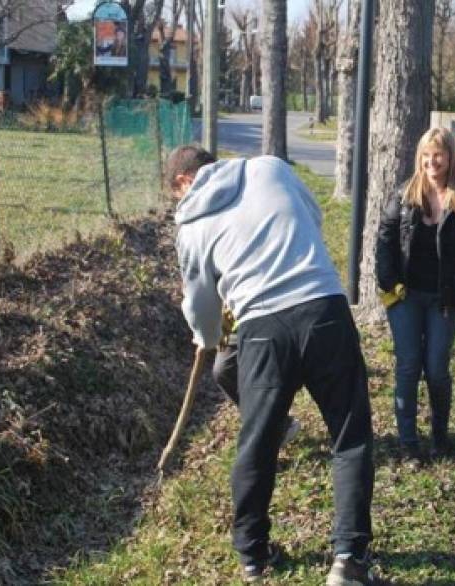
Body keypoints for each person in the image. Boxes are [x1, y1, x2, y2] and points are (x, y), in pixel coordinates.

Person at [168, 145, 376, 585]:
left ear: (181, 183)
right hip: (324, 308)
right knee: (349, 436)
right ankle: (349, 560)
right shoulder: (269, 169)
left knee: (258, 443)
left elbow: (201, 304)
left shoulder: (190, 223)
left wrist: (206, 338)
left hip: (262, 329)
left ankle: (252, 556)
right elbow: (313, 218)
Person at [375, 128, 455, 464]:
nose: (431, 161)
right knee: (408, 366)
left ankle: (440, 436)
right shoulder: (403, 196)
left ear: (451, 157)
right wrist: (388, 282)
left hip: (445, 300)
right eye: (426, 154)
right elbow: (384, 242)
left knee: (437, 369)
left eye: (438, 154)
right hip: (405, 297)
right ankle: (408, 442)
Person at [212, 308, 302, 446]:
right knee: (223, 370)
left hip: (277, 311)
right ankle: (275, 425)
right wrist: (206, 334)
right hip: (237, 322)